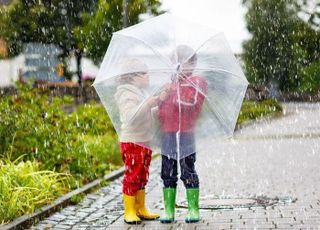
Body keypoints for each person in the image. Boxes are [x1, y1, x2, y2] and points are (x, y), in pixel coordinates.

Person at [158, 45, 208, 223]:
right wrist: (162, 98)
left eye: (184, 62)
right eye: (175, 62)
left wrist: (176, 92)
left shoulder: (197, 82)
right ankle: (169, 210)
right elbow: (162, 112)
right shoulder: (169, 83)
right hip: (168, 134)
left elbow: (192, 105)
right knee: (167, 170)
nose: (179, 66)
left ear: (193, 63)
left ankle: (193, 209)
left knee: (188, 168)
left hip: (186, 133)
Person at [114, 59, 160, 224]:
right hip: (133, 142)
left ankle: (141, 208)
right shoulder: (126, 94)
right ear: (134, 76)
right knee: (133, 175)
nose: (149, 77)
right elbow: (130, 117)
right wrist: (147, 104)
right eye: (145, 73)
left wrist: (158, 103)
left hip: (144, 140)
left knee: (142, 175)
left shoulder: (139, 93)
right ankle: (129, 210)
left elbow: (144, 114)